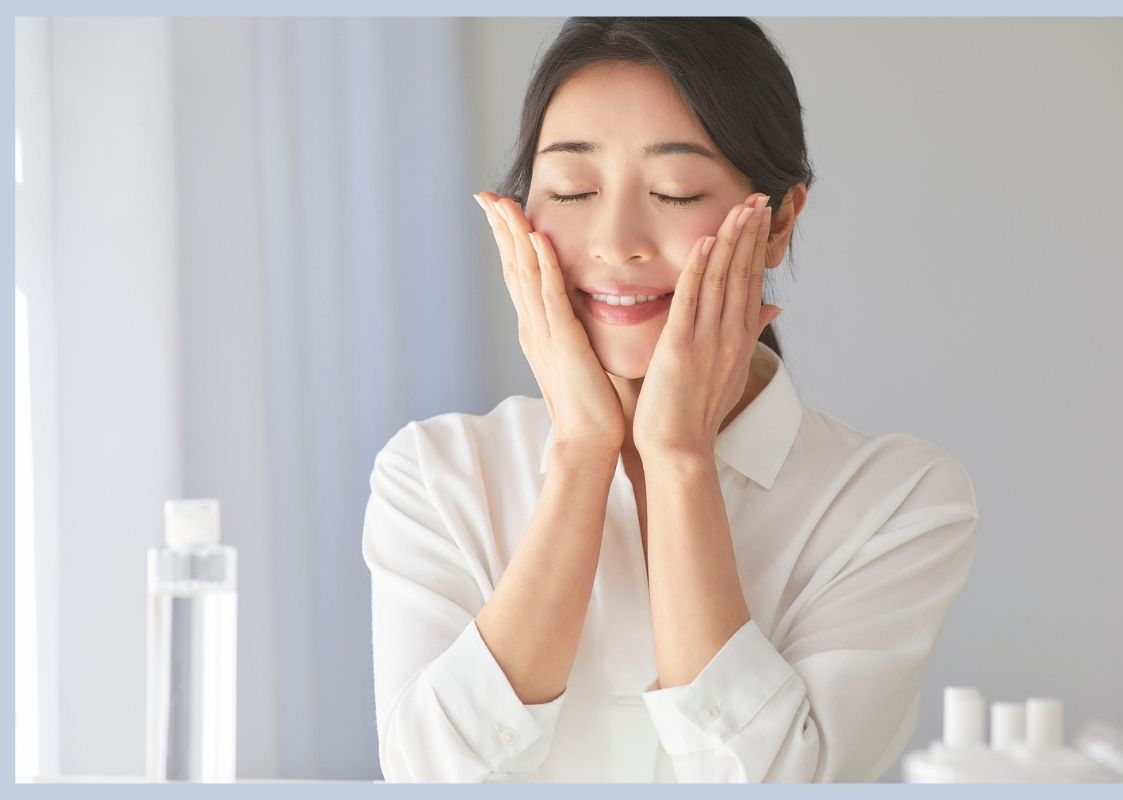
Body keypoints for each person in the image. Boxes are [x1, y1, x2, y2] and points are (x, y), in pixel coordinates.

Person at [362, 17, 979, 783]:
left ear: (780, 222)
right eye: (573, 190)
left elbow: (778, 781)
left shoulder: (895, 501)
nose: (616, 240)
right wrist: (584, 455)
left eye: (674, 192)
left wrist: (679, 460)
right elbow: (428, 777)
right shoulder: (436, 475)